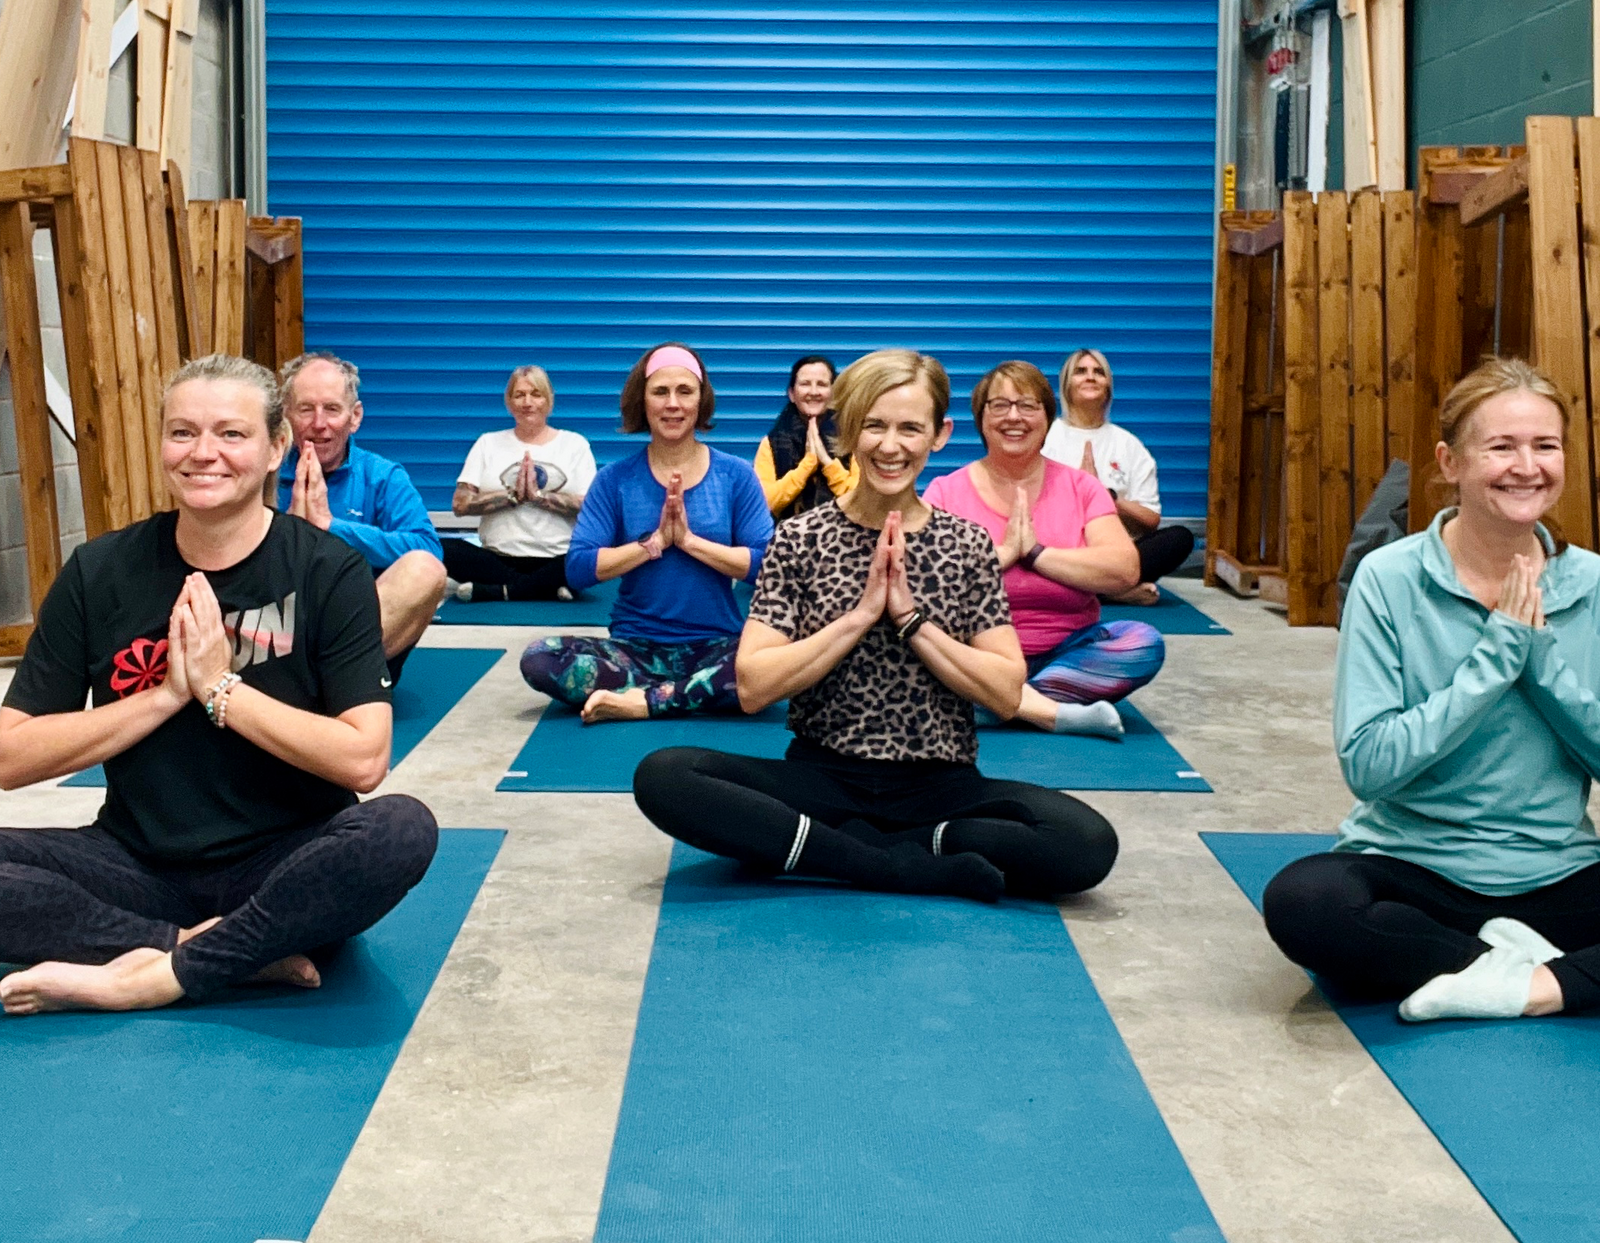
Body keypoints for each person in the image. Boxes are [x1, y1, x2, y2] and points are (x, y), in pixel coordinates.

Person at [0, 354, 437, 1016]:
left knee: (403, 829)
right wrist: (165, 695)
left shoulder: (327, 571)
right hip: (136, 863)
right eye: (183, 432)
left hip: (287, 865)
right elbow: (10, 755)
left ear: (275, 448)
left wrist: (218, 688)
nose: (204, 453)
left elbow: (364, 757)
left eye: (231, 434)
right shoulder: (100, 571)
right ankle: (203, 951)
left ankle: (142, 977)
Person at [632, 348, 1118, 901]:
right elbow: (753, 686)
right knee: (665, 774)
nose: (891, 446)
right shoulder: (799, 540)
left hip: (940, 785)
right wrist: (860, 617)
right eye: (875, 426)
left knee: (1086, 841)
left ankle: (847, 849)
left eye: (911, 428)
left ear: (939, 434)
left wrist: (911, 621)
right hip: (822, 779)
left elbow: (1007, 693)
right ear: (849, 430)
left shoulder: (966, 544)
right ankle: (890, 865)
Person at [1262, 358, 1600, 1022]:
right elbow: (1370, 764)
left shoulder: (1591, 584)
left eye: (1545, 445)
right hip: (1415, 869)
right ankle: (1530, 968)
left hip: (1557, 873)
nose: (1526, 466)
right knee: (1304, 902)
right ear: (1450, 462)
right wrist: (1496, 657)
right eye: (1501, 446)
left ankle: (1519, 983)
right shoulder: (1389, 579)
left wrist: (1539, 663)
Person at [520, 342, 774, 723]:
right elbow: (579, 567)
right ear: (643, 401)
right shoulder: (614, 480)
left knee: (773, 668)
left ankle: (642, 702)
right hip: (634, 652)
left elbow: (767, 565)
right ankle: (684, 696)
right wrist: (653, 544)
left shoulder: (736, 476)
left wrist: (689, 542)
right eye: (660, 392)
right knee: (539, 658)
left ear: (700, 400)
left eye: (685, 391)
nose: (673, 403)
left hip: (718, 648)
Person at [925, 361, 1163, 737]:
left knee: (1142, 643)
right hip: (975, 655)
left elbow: (1123, 570)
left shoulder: (1081, 487)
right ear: (981, 418)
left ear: (1047, 418)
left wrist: (1036, 553)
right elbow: (928, 586)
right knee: (911, 650)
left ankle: (1001, 704)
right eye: (999, 405)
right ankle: (1044, 708)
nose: (1014, 417)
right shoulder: (945, 490)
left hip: (1066, 652)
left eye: (1028, 405)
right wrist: (1001, 555)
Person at [276, 351, 447, 680]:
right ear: (286, 416)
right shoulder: (261, 472)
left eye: (332, 409)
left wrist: (332, 527)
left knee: (426, 570)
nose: (319, 423)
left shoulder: (383, 476)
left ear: (354, 417)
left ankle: (337, 676)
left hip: (357, 634)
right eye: (306, 409)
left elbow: (428, 547)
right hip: (279, 626)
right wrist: (291, 532)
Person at [1042, 349, 1194, 605]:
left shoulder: (1129, 445)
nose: (1090, 377)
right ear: (1066, 385)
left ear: (1108, 387)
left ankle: (1089, 589)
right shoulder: (1046, 438)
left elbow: (1150, 520)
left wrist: (1107, 499)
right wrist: (1078, 491)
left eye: (1098, 372)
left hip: (1115, 555)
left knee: (1180, 538)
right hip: (1062, 551)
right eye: (1081, 371)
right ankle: (1112, 592)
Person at [441, 365, 597, 602]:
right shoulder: (487, 443)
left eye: (536, 394)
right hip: (498, 557)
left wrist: (539, 498)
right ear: (509, 402)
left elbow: (591, 507)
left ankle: (502, 591)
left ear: (549, 401)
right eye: (519, 395)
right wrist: (511, 498)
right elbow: (460, 504)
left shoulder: (575, 445)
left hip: (558, 557)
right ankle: (548, 589)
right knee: (442, 548)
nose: (527, 402)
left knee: (593, 557)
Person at [753, 354, 858, 520]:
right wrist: (807, 465)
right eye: (805, 384)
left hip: (846, 539)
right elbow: (765, 502)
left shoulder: (852, 439)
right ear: (792, 394)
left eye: (822, 384)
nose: (814, 392)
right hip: (788, 541)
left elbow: (862, 500)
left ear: (834, 393)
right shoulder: (772, 443)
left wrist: (827, 462)